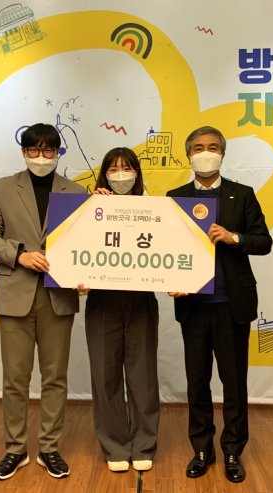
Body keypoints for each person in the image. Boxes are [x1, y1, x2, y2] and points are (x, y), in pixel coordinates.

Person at [0, 123, 86, 481]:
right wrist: (19, 254)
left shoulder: (76, 192)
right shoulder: (3, 188)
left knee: (55, 377)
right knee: (15, 378)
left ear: (58, 153)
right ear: (24, 152)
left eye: (48, 150)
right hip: (15, 294)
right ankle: (16, 449)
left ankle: (49, 448)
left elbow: (88, 242)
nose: (41, 157)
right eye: (34, 150)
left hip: (59, 295)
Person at [166, 126, 272, 483]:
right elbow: (166, 250)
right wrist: (169, 279)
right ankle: (201, 449)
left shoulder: (242, 195)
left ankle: (232, 451)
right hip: (194, 307)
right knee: (197, 383)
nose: (205, 153)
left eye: (212, 147)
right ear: (188, 155)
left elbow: (264, 241)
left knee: (234, 384)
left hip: (232, 305)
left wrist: (234, 237)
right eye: (198, 148)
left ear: (223, 154)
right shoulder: (174, 198)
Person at [83, 147, 160, 473]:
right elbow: (74, 250)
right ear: (104, 174)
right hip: (103, 301)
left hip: (141, 301)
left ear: (137, 173)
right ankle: (114, 446)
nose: (120, 174)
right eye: (113, 169)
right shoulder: (90, 208)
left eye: (126, 168)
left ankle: (143, 445)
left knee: (143, 377)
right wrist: (93, 208)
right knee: (105, 376)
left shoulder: (155, 208)